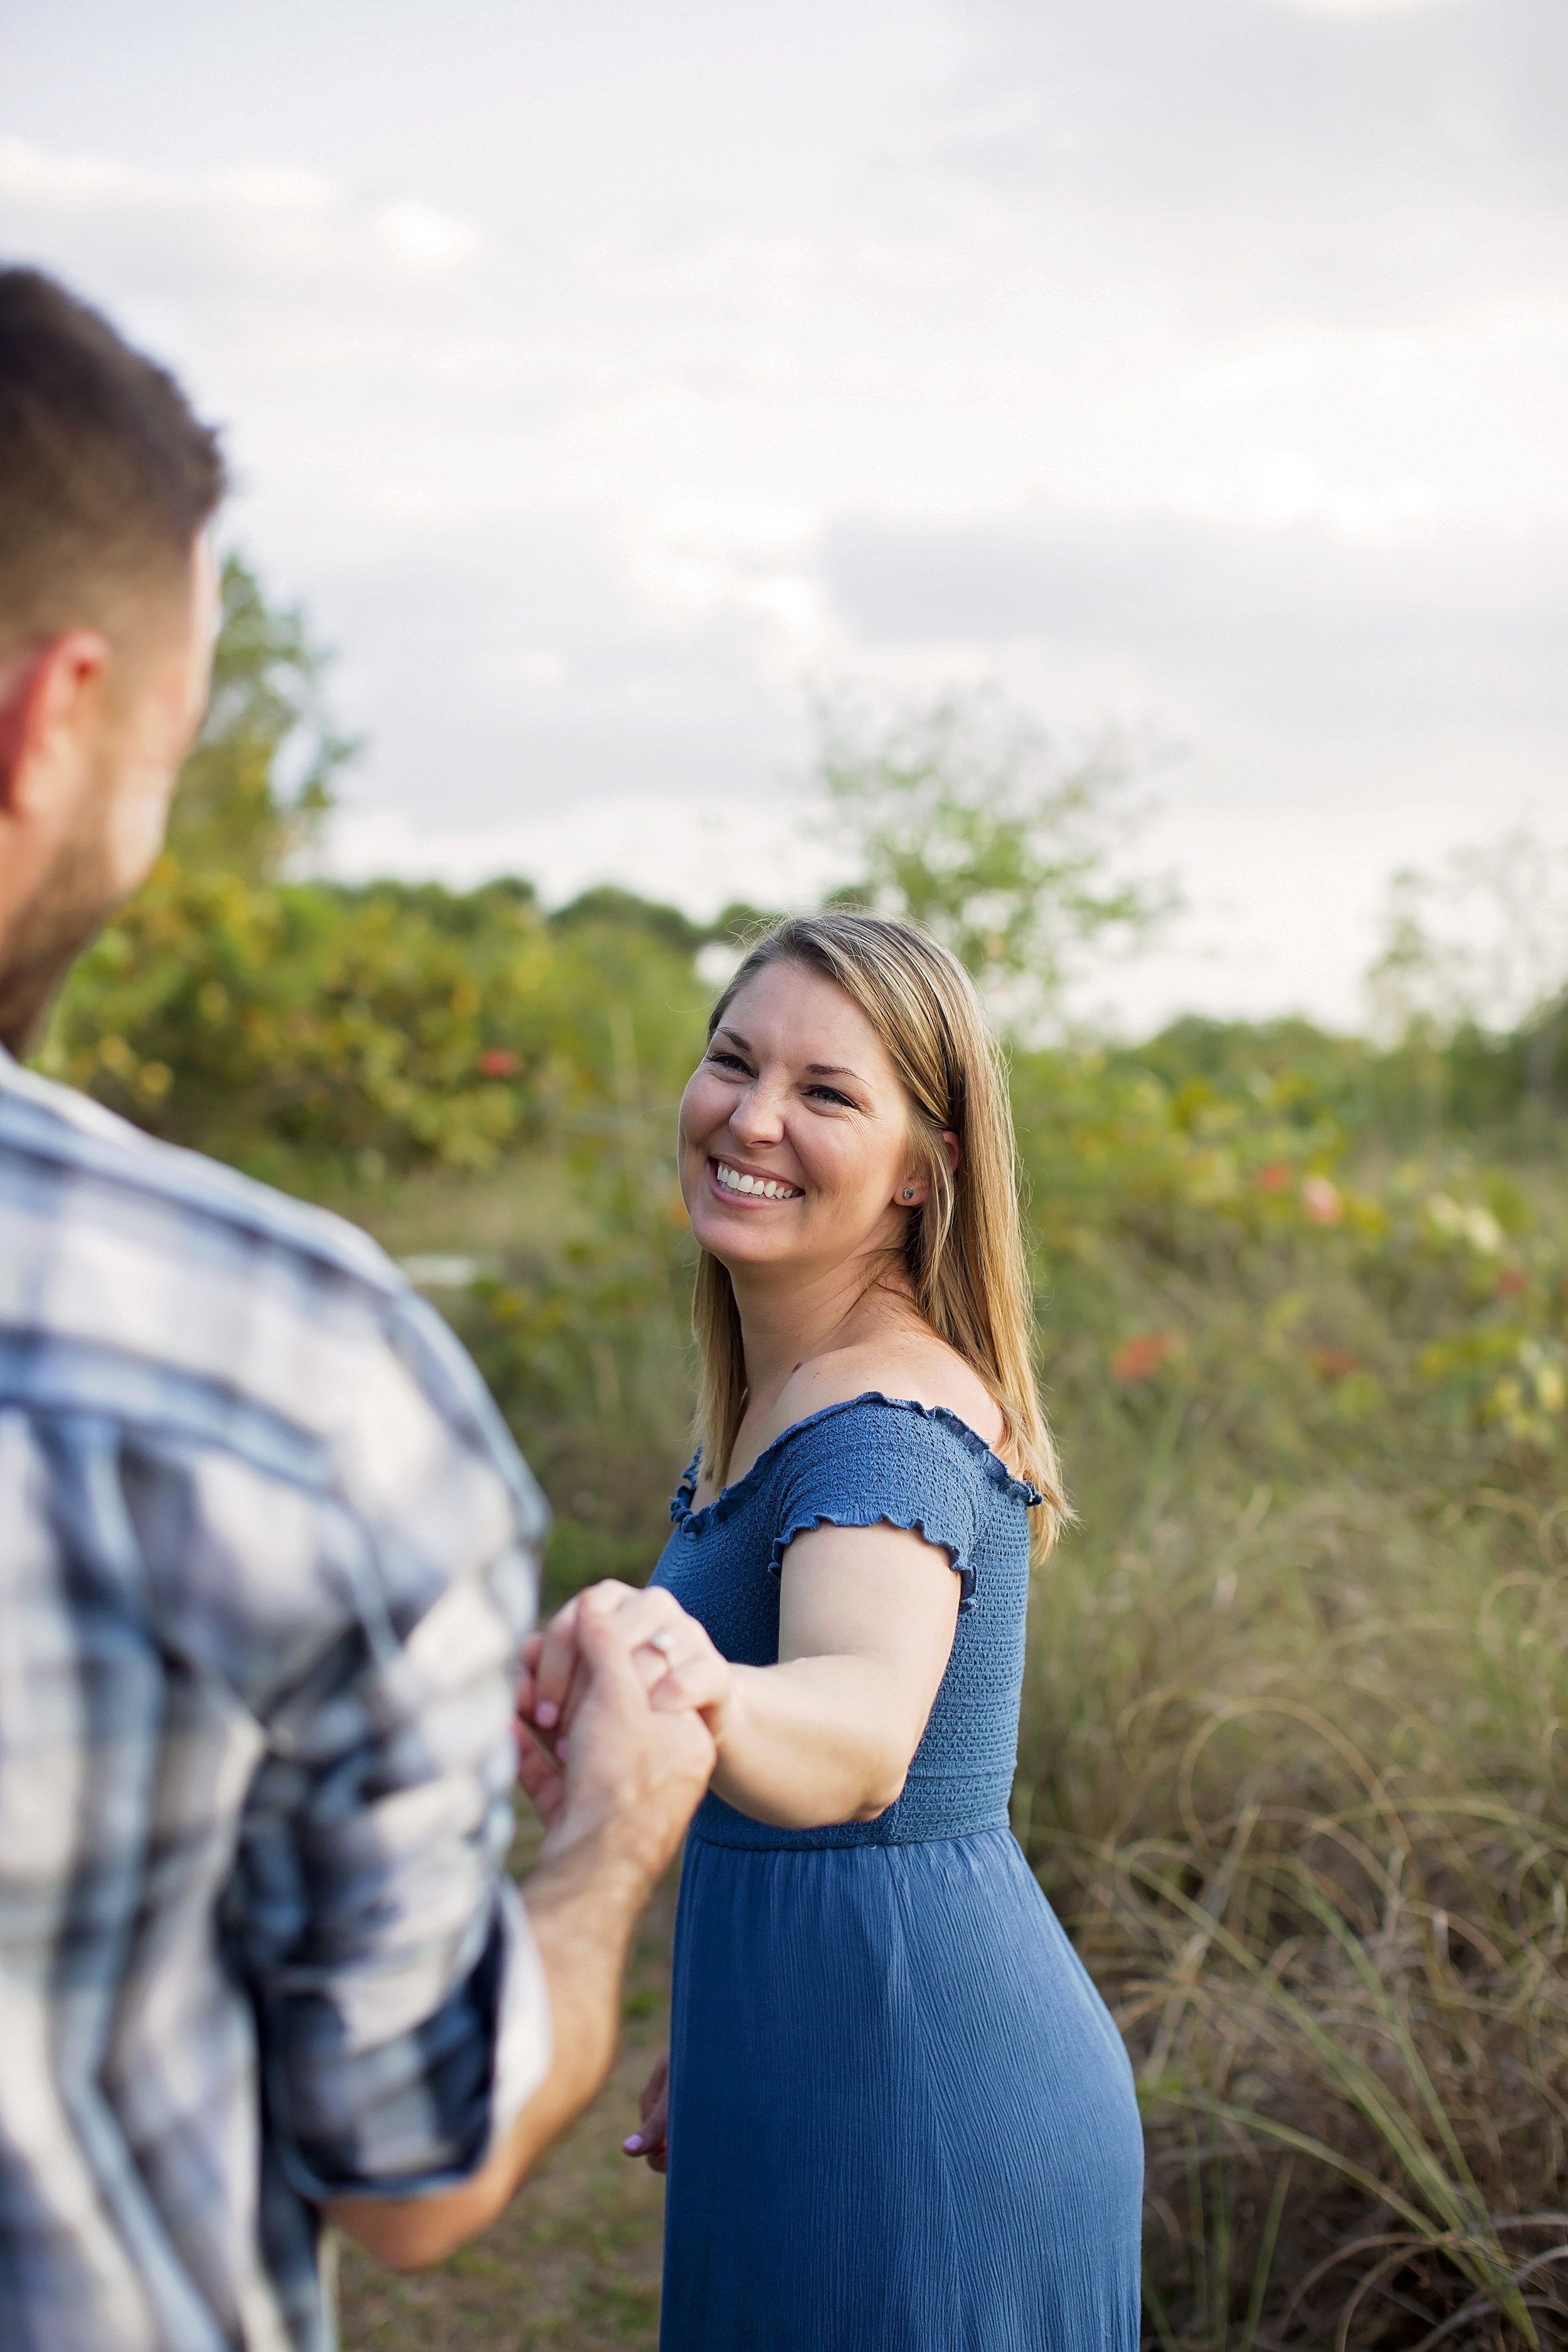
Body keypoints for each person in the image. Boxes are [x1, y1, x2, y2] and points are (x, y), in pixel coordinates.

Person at [0, 266, 716, 2352]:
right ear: (52, 722)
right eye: (178, 730)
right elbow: (411, 2169)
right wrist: (608, 1834)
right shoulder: (283, 1379)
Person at [521, 911, 1145, 2350]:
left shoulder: (883, 1419)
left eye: (825, 1092)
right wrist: (743, 2025)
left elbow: (863, 1732)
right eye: (731, 1062)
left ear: (925, 1169)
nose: (750, 1117)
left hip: (925, 2114)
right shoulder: (780, 1383)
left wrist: (687, 1679)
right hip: (817, 2056)